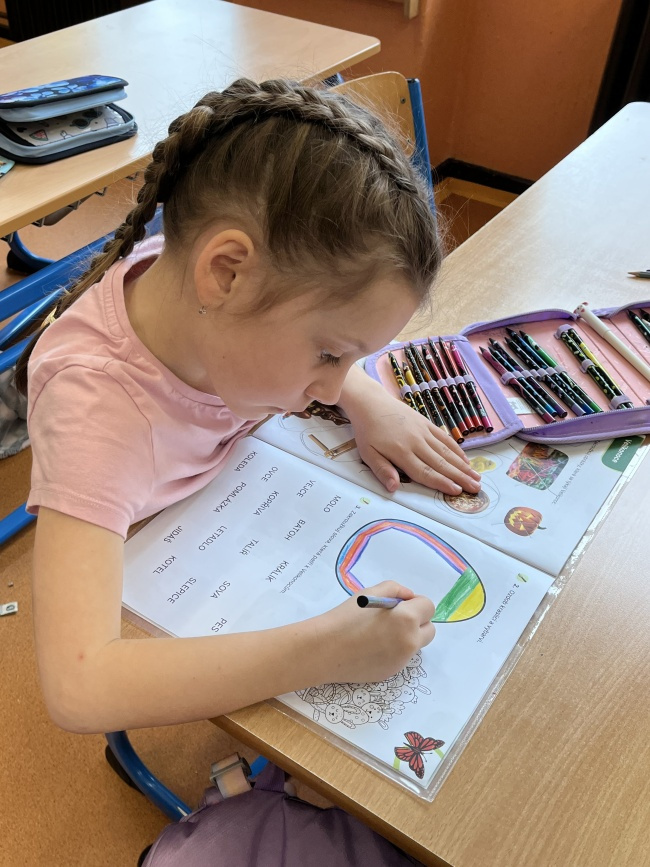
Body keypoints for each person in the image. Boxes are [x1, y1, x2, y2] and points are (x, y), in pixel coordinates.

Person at [15, 78, 481, 734]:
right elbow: (79, 686)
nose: (331, 389)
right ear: (226, 273)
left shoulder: (211, 308)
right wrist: (328, 652)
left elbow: (309, 340)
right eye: (330, 354)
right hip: (162, 570)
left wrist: (369, 399)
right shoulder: (96, 415)